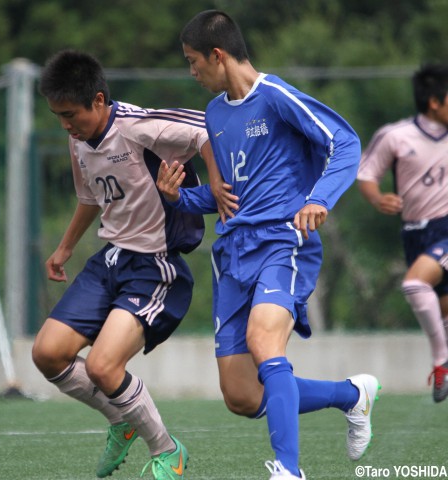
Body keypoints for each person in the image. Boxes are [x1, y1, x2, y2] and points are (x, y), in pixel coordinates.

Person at [155, 10, 381, 479]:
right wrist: (181, 196)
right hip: (234, 254)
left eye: (193, 61)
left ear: (218, 55)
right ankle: (351, 395)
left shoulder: (275, 96)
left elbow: (345, 141)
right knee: (241, 395)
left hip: (284, 242)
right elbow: (229, 200)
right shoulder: (215, 114)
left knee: (263, 340)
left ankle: (289, 470)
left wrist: (319, 198)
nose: (191, 71)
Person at [31, 49, 229, 480]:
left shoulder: (138, 126)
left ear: (99, 101)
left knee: (103, 367)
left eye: (70, 114)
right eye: (57, 115)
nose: (65, 124)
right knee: (47, 354)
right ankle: (122, 420)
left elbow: (205, 130)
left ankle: (167, 450)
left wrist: (215, 183)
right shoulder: (78, 140)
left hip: (155, 265)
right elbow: (90, 198)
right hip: (109, 261)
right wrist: (65, 247)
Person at [357, 64, 448, 403]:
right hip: (414, 235)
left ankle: (441, 363)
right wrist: (378, 198)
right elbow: (367, 175)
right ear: (435, 102)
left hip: (446, 229)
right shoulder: (395, 136)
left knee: (413, 283)